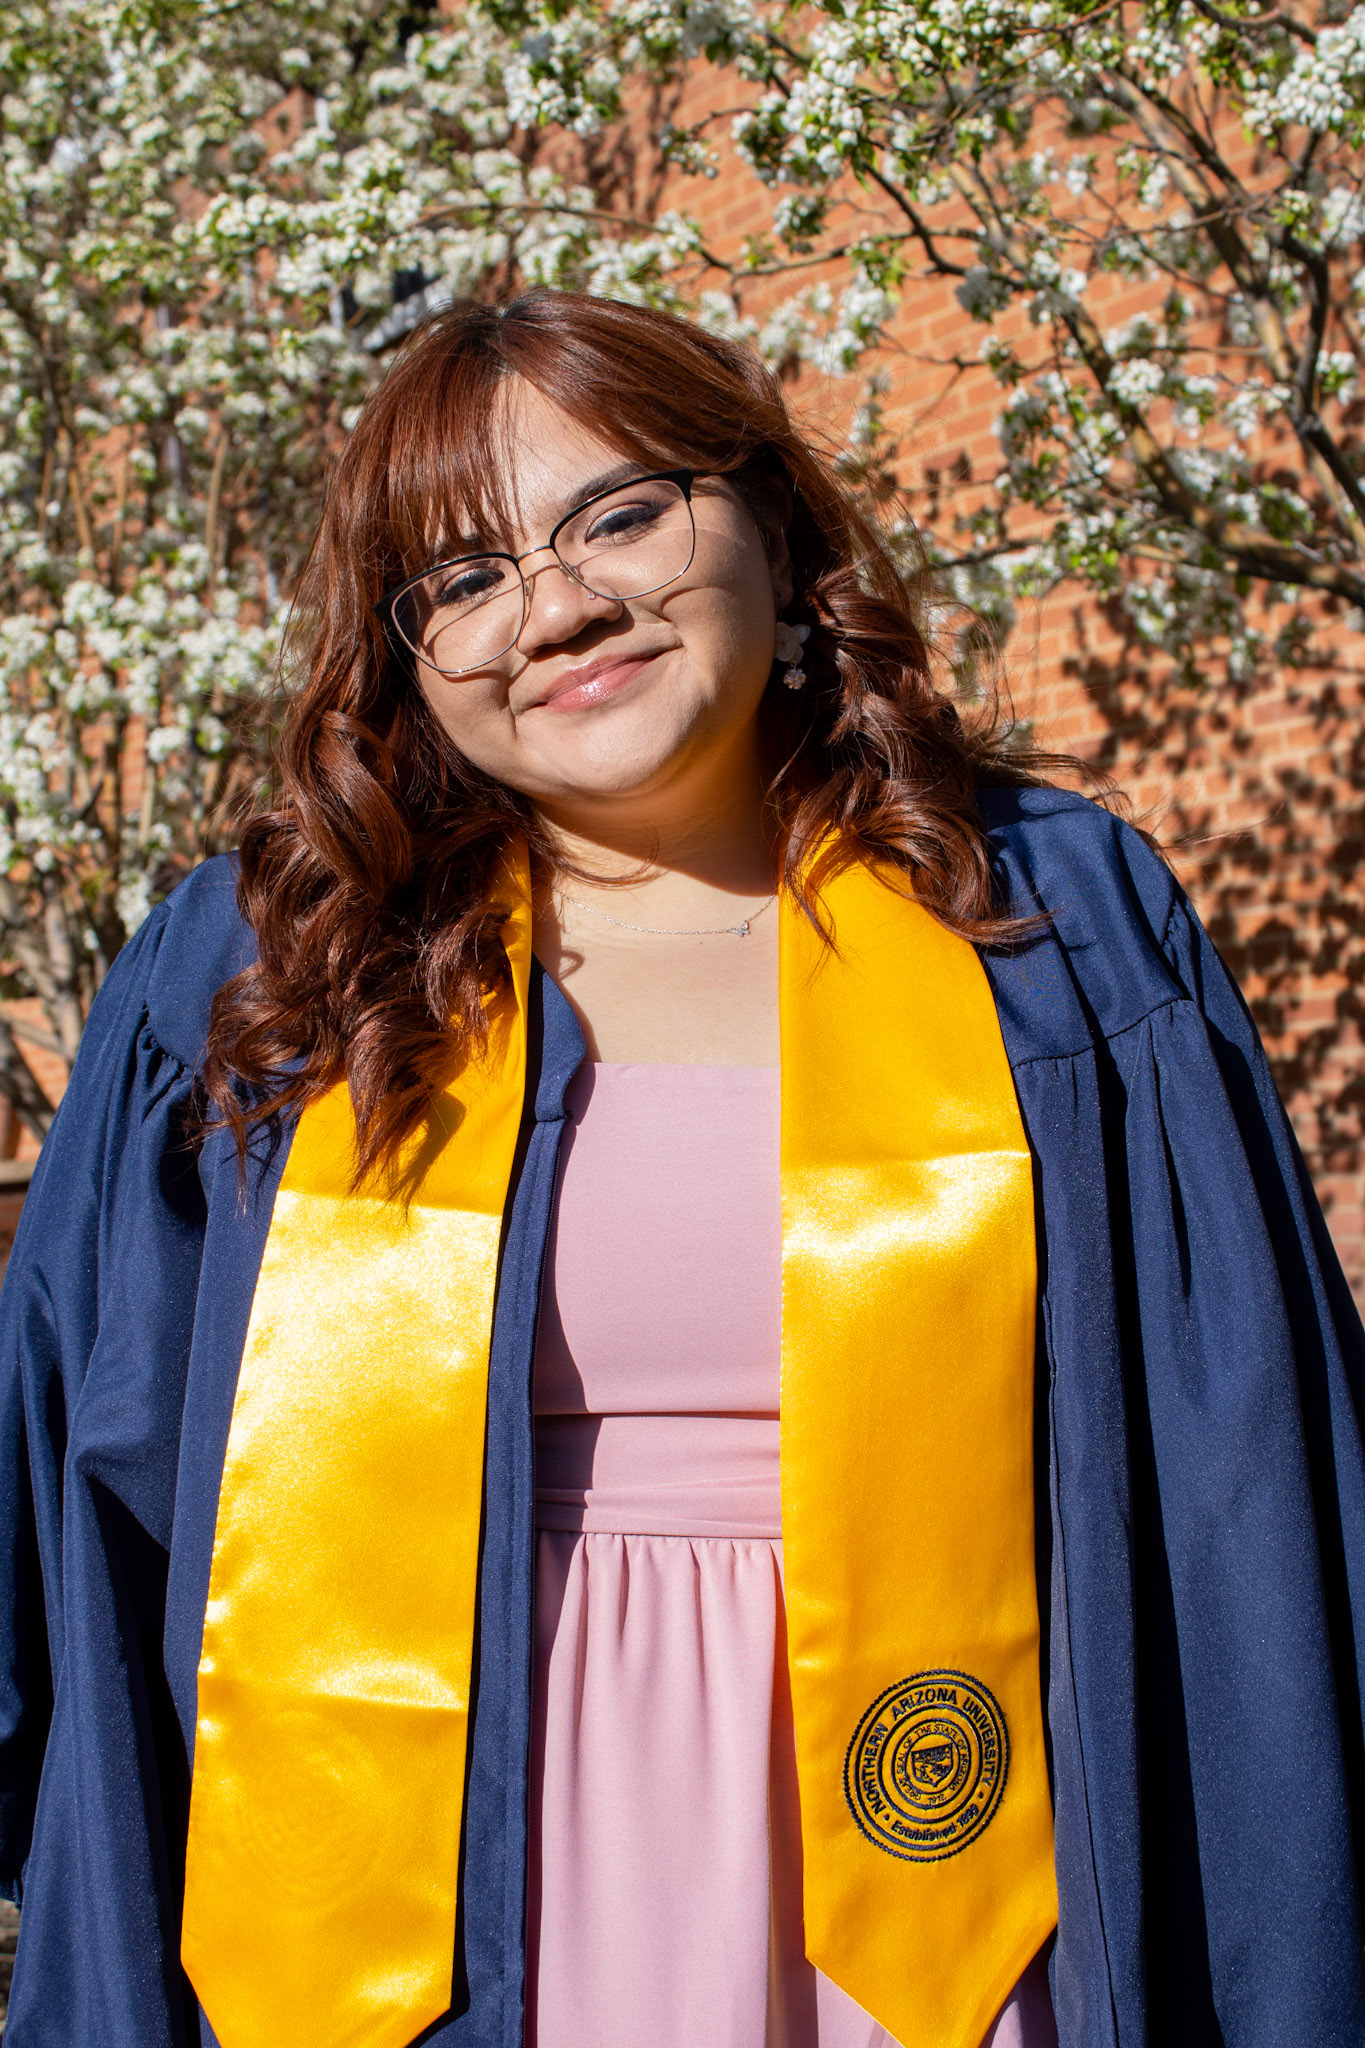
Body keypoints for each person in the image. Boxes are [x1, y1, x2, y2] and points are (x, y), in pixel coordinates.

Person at [0, 290, 1361, 2048]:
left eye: (618, 514)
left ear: (773, 526)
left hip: (943, 1850)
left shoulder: (1049, 926)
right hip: (426, 1872)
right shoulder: (278, 974)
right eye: (462, 579)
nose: (553, 608)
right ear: (405, 656)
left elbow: (1250, 1482)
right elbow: (63, 1477)